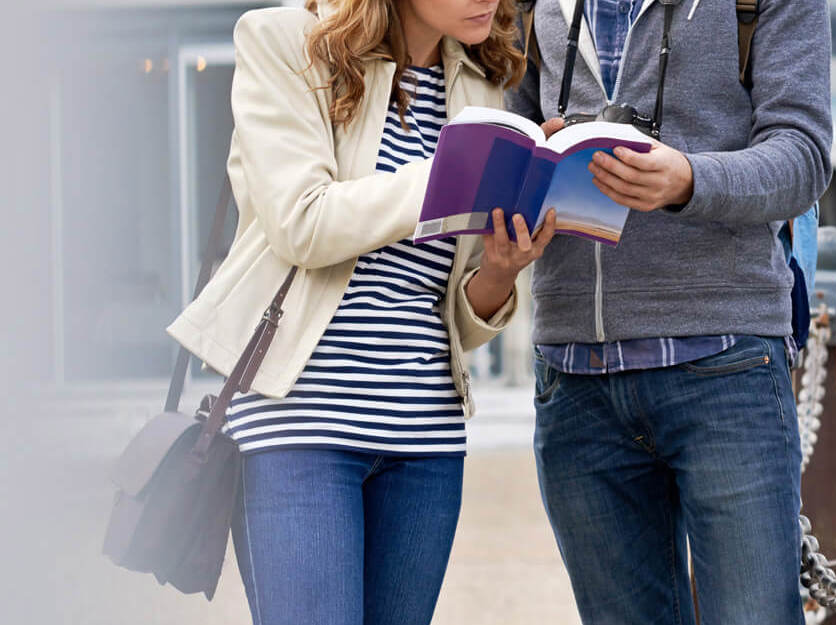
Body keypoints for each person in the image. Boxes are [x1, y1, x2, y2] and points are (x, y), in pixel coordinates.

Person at [165, 0, 553, 622]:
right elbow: (302, 223)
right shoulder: (284, 41)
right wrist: (455, 173)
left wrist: (503, 270)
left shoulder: (482, 89)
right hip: (299, 426)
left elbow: (452, 308)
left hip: (426, 439)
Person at [504, 0, 831, 622]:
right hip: (575, 380)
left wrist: (688, 180)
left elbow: (804, 156)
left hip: (724, 367)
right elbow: (511, 129)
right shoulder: (532, 7)